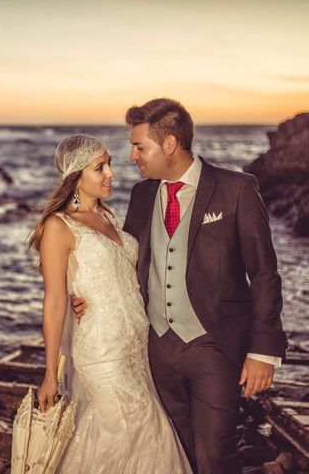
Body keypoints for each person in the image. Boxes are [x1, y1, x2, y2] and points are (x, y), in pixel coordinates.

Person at [72, 98, 287, 474]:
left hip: (214, 345)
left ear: (169, 144)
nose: (132, 156)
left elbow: (264, 272)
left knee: (214, 455)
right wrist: (90, 298)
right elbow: (128, 264)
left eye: (140, 146)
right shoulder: (142, 195)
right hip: (154, 346)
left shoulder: (236, 188)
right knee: (174, 452)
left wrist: (262, 350)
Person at [29, 134, 192, 473]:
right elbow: (56, 301)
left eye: (109, 164)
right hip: (101, 352)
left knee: (144, 434)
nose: (110, 173)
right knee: (125, 428)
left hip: (135, 348)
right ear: (75, 176)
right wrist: (50, 375)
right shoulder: (58, 227)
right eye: (98, 167)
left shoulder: (108, 217)